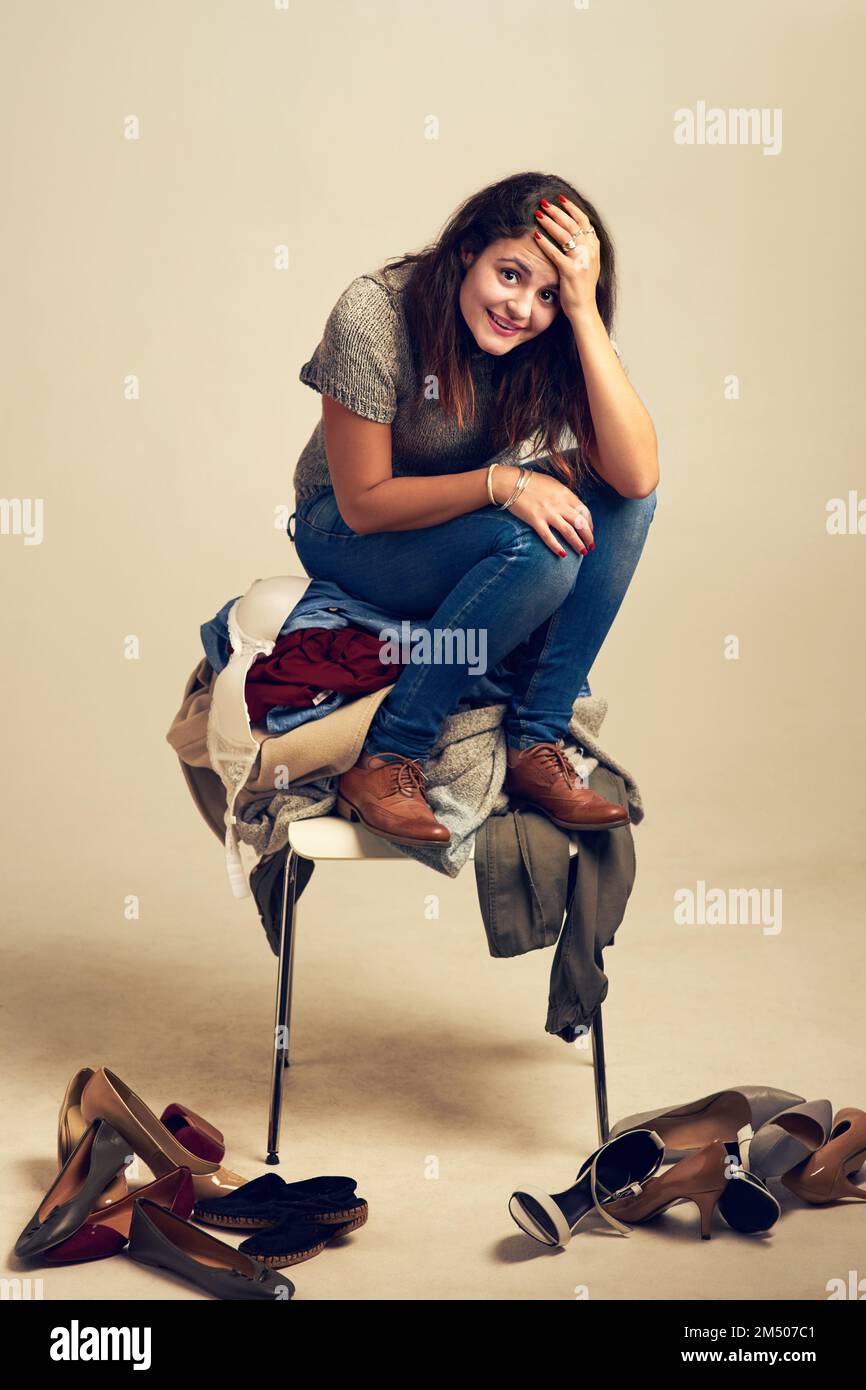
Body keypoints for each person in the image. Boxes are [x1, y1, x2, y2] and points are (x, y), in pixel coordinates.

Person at [288, 171, 659, 849]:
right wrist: (504, 485)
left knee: (624, 505)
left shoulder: (554, 333)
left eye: (547, 293)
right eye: (510, 275)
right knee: (537, 552)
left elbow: (635, 475)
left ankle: (534, 742)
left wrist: (581, 313)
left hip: (463, 514)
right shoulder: (374, 313)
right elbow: (364, 503)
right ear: (468, 252)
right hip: (343, 527)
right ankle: (389, 755)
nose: (521, 308)